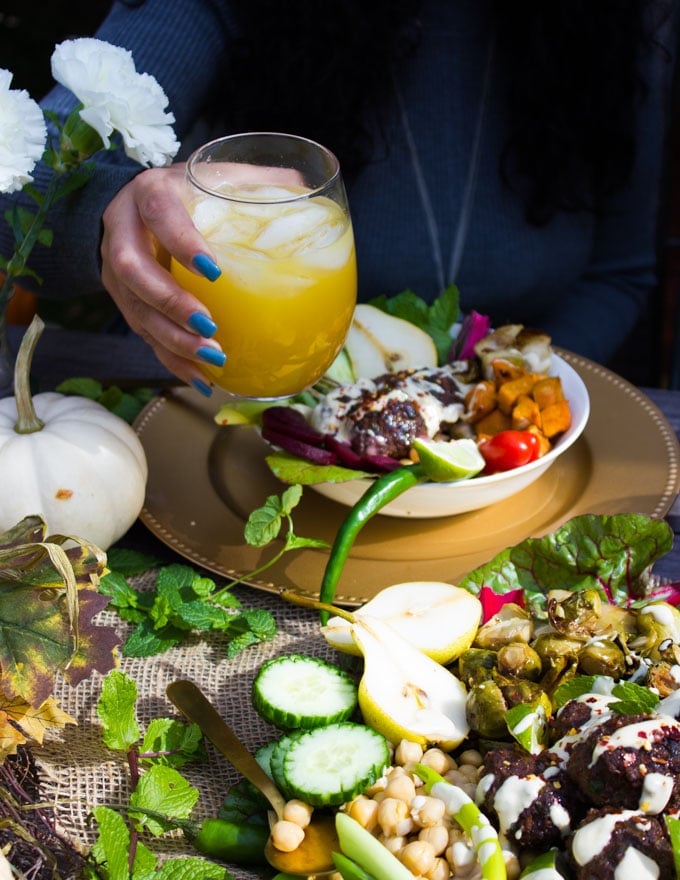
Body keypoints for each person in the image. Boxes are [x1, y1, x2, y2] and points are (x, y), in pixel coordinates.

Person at [0, 0, 677, 395]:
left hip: (490, 462)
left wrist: (494, 394)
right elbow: (16, 189)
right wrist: (110, 214)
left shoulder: (617, 23)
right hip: (214, 411)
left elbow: (618, 276)